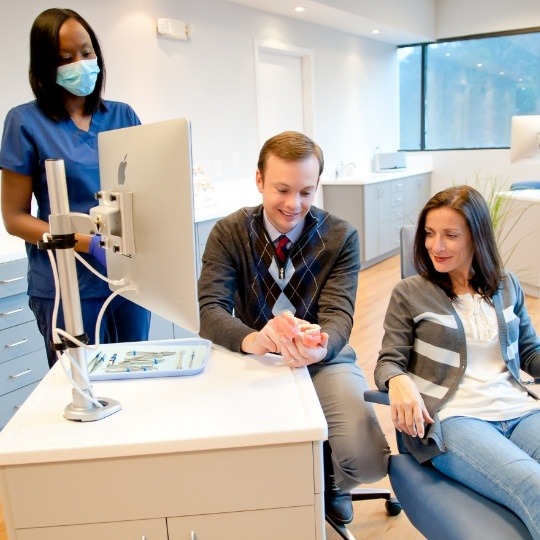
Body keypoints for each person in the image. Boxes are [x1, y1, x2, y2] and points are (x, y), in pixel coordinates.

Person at [198, 131, 390, 525]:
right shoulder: (229, 233)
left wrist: (321, 347)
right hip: (255, 359)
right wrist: (254, 338)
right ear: (259, 181)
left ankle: (331, 481)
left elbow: (339, 316)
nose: (293, 204)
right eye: (282, 189)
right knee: (240, 458)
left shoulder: (340, 236)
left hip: (323, 359)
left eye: (306, 191)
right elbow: (211, 310)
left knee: (369, 462)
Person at [375, 185, 540, 539]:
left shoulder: (506, 284)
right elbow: (389, 361)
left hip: (519, 408)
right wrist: (398, 381)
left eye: (450, 235)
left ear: (477, 238)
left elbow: (529, 352)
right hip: (455, 418)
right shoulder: (410, 292)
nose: (436, 245)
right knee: (533, 484)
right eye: (430, 234)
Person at [0, 8, 150, 367]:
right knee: (82, 386)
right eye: (65, 58)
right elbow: (14, 218)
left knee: (136, 378)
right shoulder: (25, 122)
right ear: (45, 65)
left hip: (127, 279)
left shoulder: (122, 116)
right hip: (66, 285)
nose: (79, 64)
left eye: (86, 53)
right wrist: (88, 243)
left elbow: (147, 192)